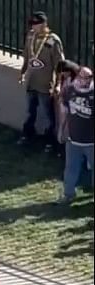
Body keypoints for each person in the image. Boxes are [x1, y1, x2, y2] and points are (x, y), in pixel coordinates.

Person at [18, 11, 64, 154]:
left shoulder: (52, 41)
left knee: (48, 114)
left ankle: (50, 141)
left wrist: (58, 84)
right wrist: (22, 73)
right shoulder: (30, 36)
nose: (34, 26)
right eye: (32, 24)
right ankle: (27, 135)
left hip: (45, 84)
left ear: (44, 24)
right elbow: (27, 57)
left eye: (36, 24)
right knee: (29, 111)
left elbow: (60, 66)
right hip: (31, 82)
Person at [57, 66, 94, 205]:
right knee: (71, 169)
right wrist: (61, 130)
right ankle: (68, 194)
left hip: (91, 142)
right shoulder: (69, 90)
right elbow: (65, 111)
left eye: (87, 78)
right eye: (82, 76)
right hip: (73, 139)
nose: (83, 80)